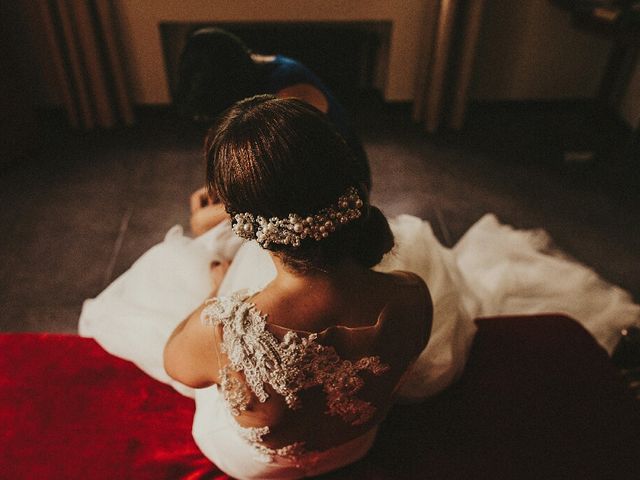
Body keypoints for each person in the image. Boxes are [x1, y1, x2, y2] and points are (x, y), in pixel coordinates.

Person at [79, 96, 640, 478]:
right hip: (356, 444)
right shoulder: (411, 294)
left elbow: (177, 364)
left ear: (244, 226)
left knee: (200, 366)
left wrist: (217, 291)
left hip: (256, 467)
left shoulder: (226, 327)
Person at [176, 27, 371, 237]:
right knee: (206, 220)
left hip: (333, 191)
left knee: (201, 224)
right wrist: (220, 188)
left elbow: (290, 180)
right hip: (287, 177)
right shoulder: (250, 74)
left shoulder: (290, 94)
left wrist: (226, 202)